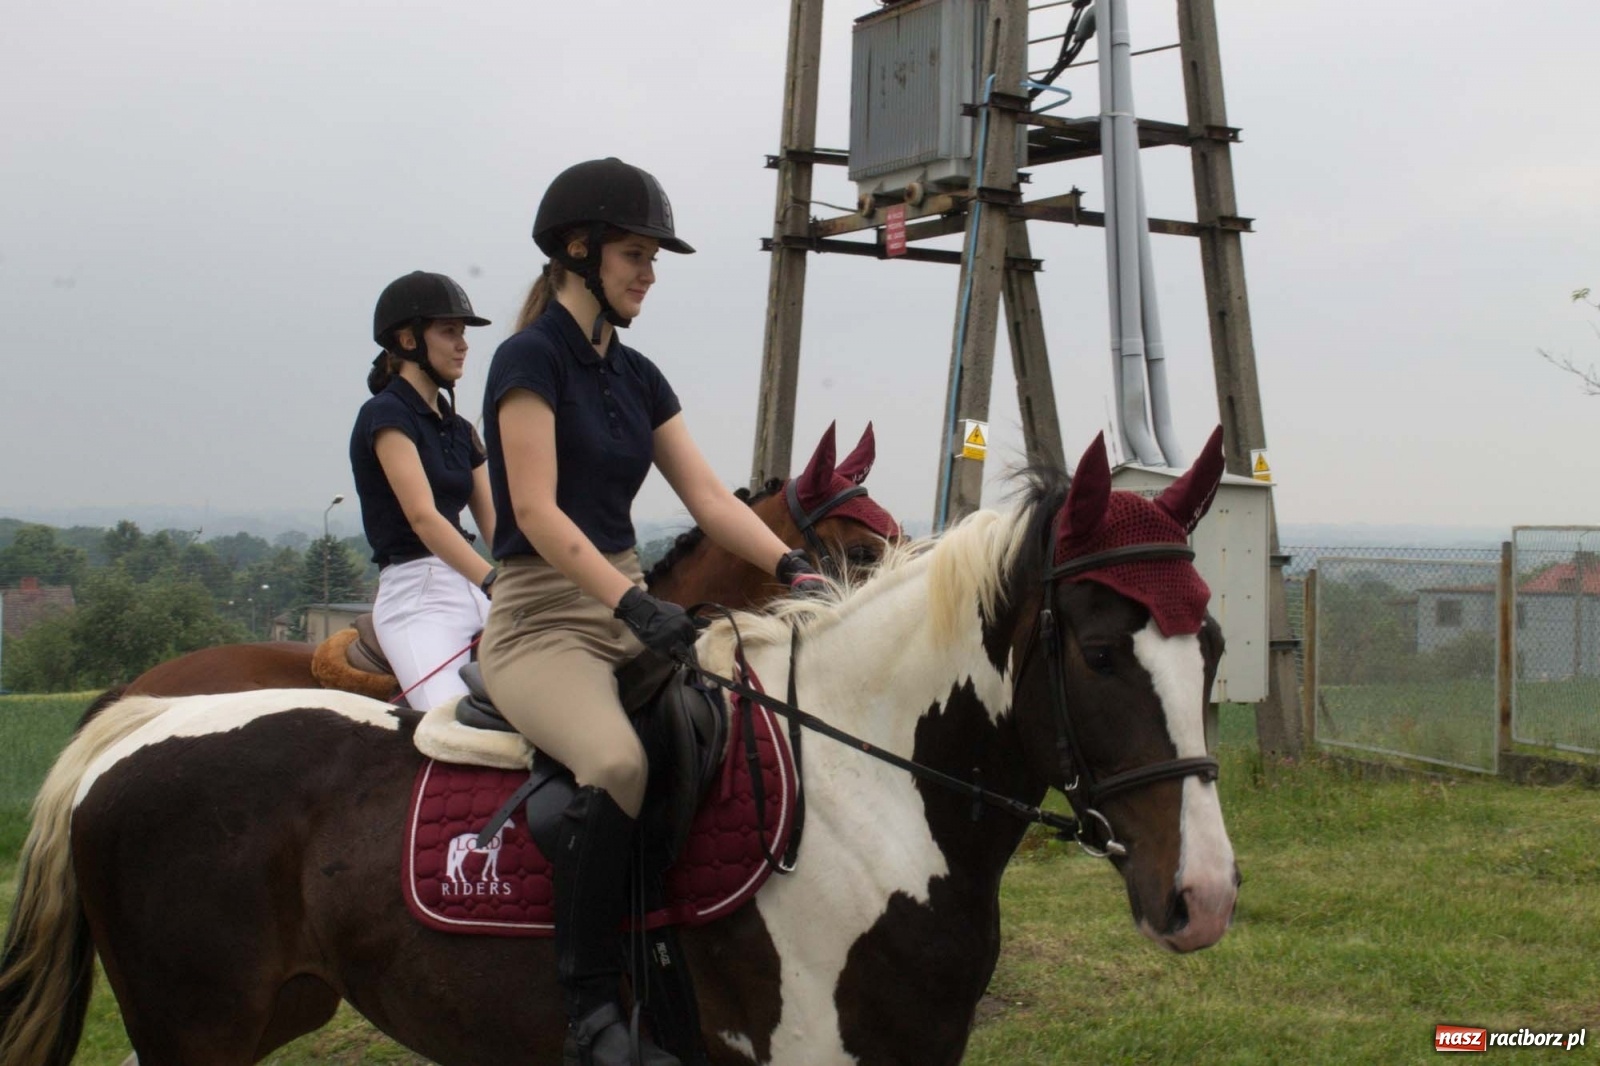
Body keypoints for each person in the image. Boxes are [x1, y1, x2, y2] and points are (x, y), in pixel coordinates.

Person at [479, 158, 823, 1066]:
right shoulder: (527, 359)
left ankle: (682, 955)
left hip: (619, 607)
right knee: (617, 762)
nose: (650, 274)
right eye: (636, 255)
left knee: (733, 737)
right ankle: (589, 1007)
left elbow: (708, 497)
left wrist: (792, 564)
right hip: (541, 622)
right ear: (578, 250)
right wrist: (633, 601)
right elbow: (535, 513)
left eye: (653, 258)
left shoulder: (637, 374)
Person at [351, 270, 498, 712]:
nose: (463, 344)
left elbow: (498, 526)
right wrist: (492, 578)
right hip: (417, 596)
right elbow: (423, 517)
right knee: (450, 723)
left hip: (474, 585)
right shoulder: (385, 415)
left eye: (463, 333)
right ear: (409, 341)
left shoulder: (461, 429)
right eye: (449, 331)